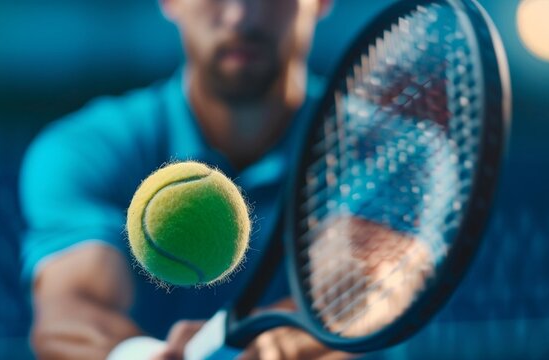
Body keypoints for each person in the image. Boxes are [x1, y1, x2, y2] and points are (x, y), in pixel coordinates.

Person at [20, 0, 351, 358]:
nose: (239, 16)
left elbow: (368, 287)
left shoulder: (381, 146)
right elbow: (70, 307)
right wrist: (137, 355)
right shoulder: (86, 148)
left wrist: (268, 347)